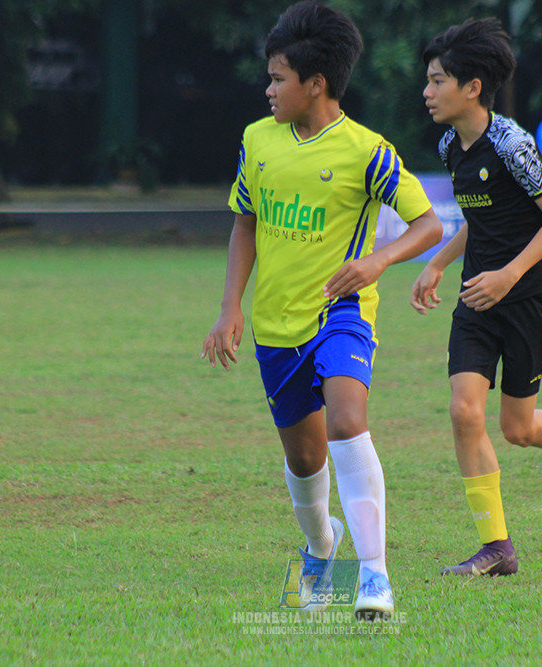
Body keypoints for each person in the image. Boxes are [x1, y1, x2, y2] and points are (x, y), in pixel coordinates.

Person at [201, 1, 442, 620]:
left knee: (346, 418)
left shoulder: (368, 152)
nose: (269, 89)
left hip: (343, 312)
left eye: (279, 78)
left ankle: (375, 578)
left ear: (318, 84)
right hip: (276, 324)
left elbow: (428, 224)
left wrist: (377, 263)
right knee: (304, 459)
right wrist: (231, 307)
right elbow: (244, 224)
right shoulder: (258, 140)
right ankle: (319, 545)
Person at [411, 18, 542, 577]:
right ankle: (497, 547)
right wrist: (438, 264)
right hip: (477, 296)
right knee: (464, 411)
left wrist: (509, 275)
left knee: (517, 428)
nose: (427, 92)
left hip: (530, 295)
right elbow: (477, 216)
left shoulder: (513, 143)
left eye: (438, 81)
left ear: (472, 87)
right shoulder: (451, 144)